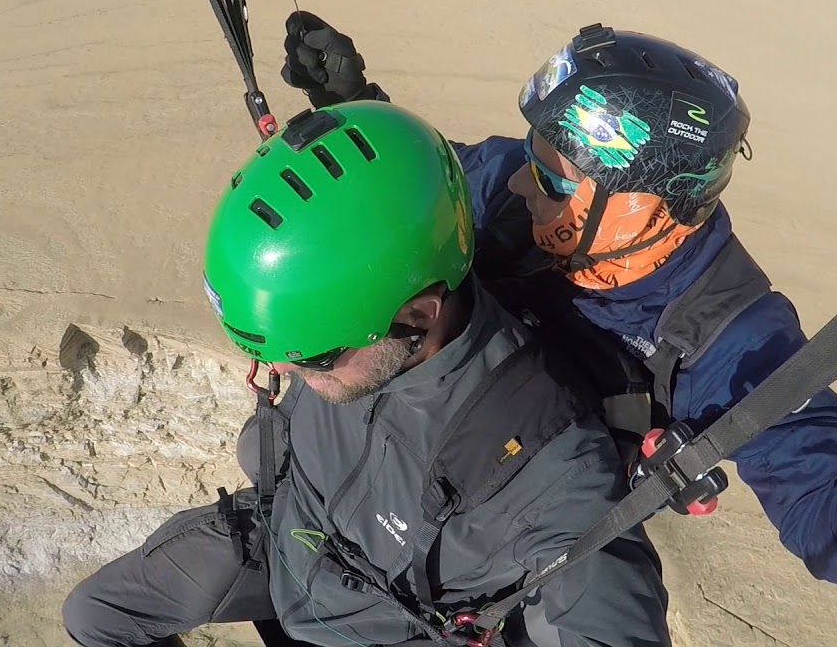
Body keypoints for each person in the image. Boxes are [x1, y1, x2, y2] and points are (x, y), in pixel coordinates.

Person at [277, 12, 837, 587]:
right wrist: (357, 111)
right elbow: (423, 204)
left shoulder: (732, 339)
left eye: (551, 177)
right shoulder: (524, 193)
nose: (516, 182)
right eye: (530, 159)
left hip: (503, 540)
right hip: (377, 450)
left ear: (643, 205)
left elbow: (833, 532)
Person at [62, 99, 676, 647]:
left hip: (389, 620)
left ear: (417, 314)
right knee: (95, 617)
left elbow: (608, 601)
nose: (280, 372)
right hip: (284, 538)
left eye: (316, 357)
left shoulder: (549, 472)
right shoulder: (372, 335)